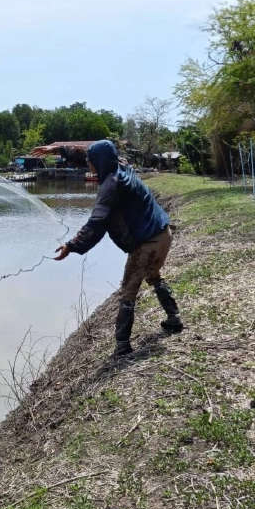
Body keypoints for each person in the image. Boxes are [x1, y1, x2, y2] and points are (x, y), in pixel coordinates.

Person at [53, 140, 183, 356]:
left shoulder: (110, 185)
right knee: (153, 275)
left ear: (97, 162)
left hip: (146, 242)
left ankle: (122, 345)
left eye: (89, 161)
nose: (87, 163)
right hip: (163, 233)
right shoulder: (121, 165)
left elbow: (97, 222)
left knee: (128, 292)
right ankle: (173, 317)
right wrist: (61, 150)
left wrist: (72, 245)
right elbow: (94, 154)